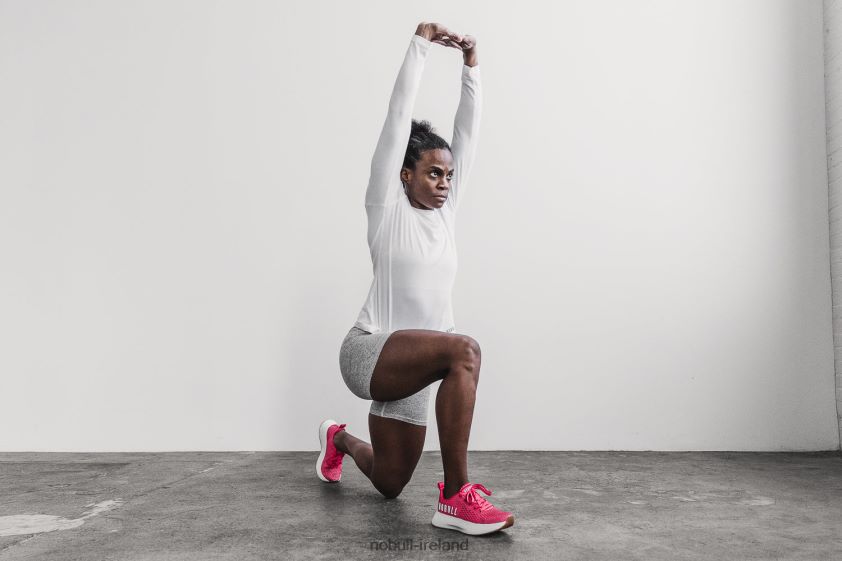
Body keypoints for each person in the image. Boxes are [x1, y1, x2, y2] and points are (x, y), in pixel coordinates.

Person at [316, 21, 514, 536]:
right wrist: (420, 45)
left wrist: (471, 67)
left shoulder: (447, 214)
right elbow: (397, 115)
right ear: (405, 174)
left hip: (416, 367)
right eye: (432, 173)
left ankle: (337, 439)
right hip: (369, 352)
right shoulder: (386, 209)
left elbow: (468, 133)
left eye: (448, 174)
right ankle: (455, 499)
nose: (444, 182)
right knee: (464, 350)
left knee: (389, 482)